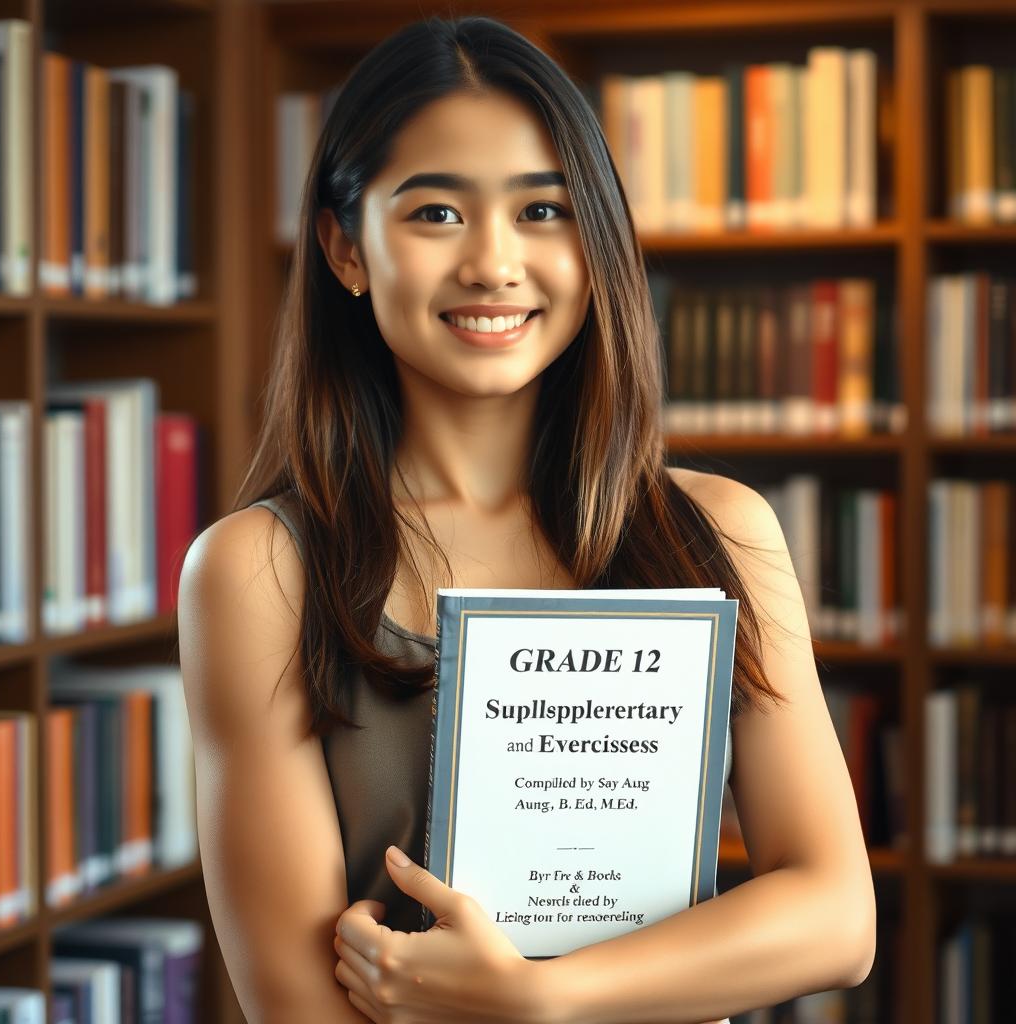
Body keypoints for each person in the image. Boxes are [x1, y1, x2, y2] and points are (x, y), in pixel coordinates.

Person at [177, 14, 876, 1024]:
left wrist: (539, 999)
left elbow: (837, 916)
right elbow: (296, 1008)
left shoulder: (720, 531)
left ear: (594, 241)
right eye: (435, 216)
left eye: (543, 210)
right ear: (345, 249)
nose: (494, 264)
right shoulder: (257, 571)